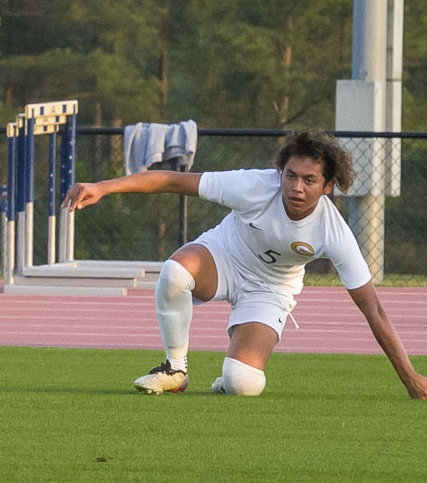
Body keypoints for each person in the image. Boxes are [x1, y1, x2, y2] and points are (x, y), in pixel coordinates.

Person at [62, 129, 427, 399]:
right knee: (174, 272)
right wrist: (105, 187)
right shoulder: (254, 185)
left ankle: (227, 378)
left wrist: (410, 377)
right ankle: (175, 369)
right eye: (291, 175)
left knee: (243, 384)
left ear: (328, 186)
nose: (296, 187)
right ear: (280, 172)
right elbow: (173, 180)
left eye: (309, 180)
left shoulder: (334, 232)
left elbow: (373, 309)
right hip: (223, 257)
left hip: (270, 290)